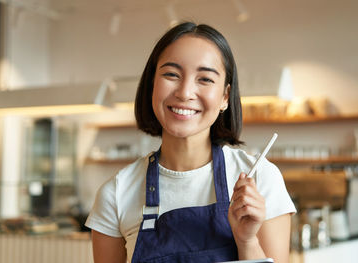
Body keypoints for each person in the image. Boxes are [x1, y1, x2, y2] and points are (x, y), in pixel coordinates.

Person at [85, 22, 296, 263]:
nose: (185, 92)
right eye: (171, 74)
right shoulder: (116, 194)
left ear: (225, 96)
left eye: (205, 79)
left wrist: (247, 240)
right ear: (152, 83)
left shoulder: (260, 179)